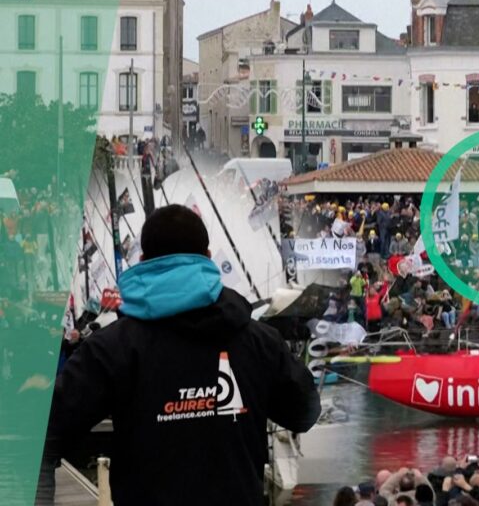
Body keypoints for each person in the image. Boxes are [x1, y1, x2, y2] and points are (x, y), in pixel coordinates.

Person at [41, 205, 321, 505]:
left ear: (144, 261)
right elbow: (304, 413)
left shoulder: (112, 348)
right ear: (208, 259)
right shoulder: (260, 342)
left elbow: (42, 437)